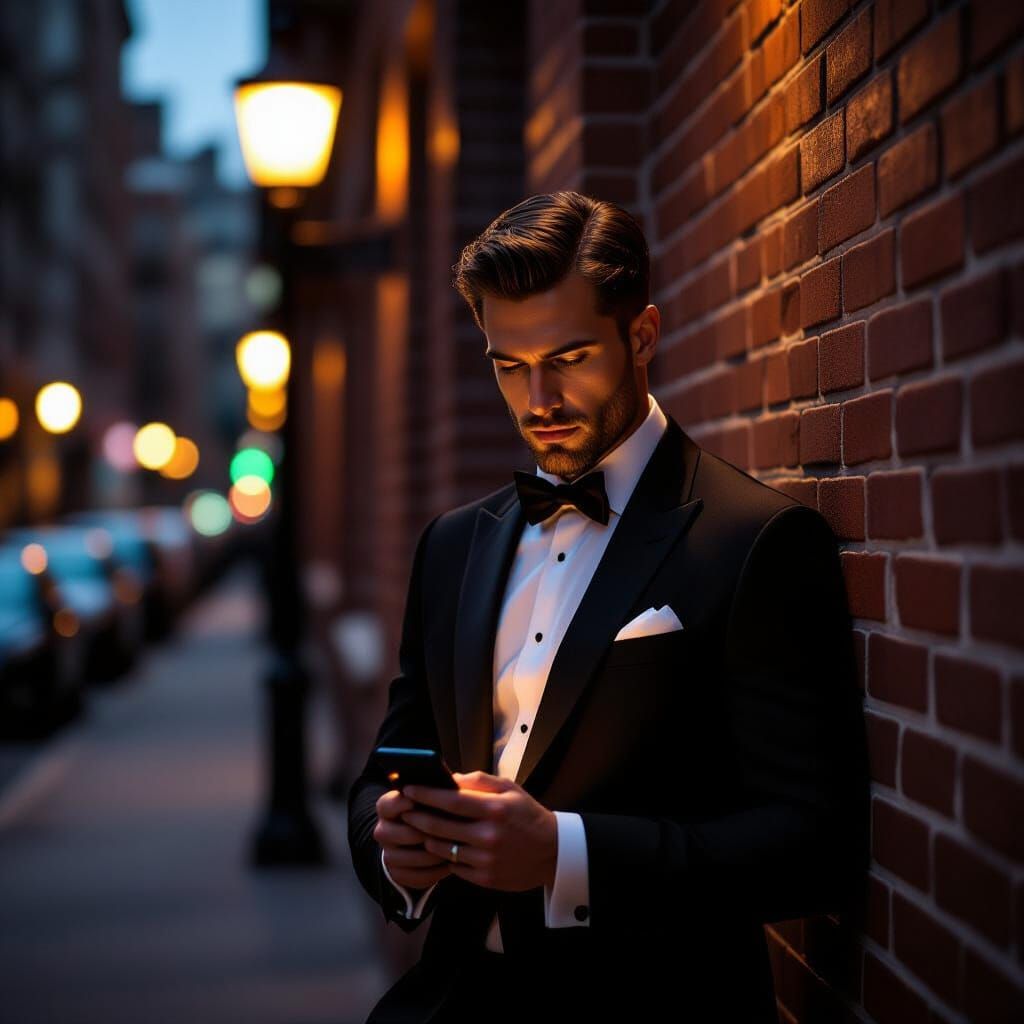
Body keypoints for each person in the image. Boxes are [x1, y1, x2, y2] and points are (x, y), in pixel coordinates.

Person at [347, 190, 870, 1022]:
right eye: (508, 365)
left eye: (570, 356)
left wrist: (565, 854)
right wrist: (397, 856)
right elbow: (388, 764)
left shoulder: (756, 540)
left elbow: (814, 845)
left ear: (642, 336)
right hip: (450, 999)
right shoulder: (452, 545)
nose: (539, 400)